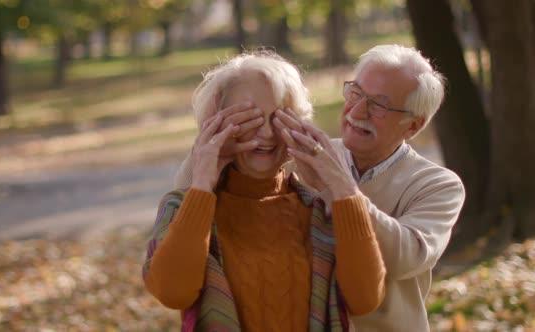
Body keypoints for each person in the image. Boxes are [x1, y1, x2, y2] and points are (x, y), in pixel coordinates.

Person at [173, 45, 466, 331]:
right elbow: (184, 204)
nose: (358, 110)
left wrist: (339, 189)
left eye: (379, 104)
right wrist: (207, 144)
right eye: (356, 92)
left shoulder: (438, 186)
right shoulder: (307, 155)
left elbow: (407, 257)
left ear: (413, 126)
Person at [143, 51, 386, 331]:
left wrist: (344, 188)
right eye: (251, 119)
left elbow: (365, 300)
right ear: (214, 124)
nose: (267, 134)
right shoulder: (184, 207)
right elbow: (173, 292)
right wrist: (202, 184)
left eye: (280, 118)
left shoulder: (319, 211)